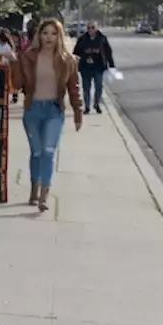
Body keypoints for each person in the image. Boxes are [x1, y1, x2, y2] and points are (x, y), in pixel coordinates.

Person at [10, 18, 83, 211]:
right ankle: (34, 188)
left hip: (54, 110)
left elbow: (74, 87)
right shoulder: (29, 56)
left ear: (59, 36)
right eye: (45, 33)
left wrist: (78, 111)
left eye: (53, 33)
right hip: (33, 109)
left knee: (48, 151)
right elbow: (17, 85)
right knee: (36, 152)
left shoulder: (67, 60)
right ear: (39, 35)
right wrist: (14, 63)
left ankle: (44, 194)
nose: (49, 37)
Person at [72, 22, 116, 114]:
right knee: (86, 87)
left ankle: (97, 104)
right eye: (89, 28)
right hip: (86, 67)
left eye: (93, 28)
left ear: (97, 28)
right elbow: (76, 52)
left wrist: (112, 65)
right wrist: (82, 56)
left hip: (98, 67)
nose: (90, 30)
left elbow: (108, 52)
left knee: (98, 86)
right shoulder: (82, 39)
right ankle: (87, 106)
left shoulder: (102, 38)